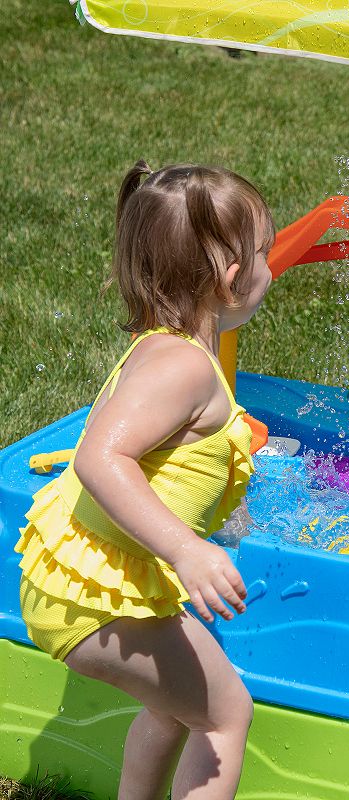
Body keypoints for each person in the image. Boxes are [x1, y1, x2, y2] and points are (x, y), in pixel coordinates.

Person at [16, 161, 274, 799]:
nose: (273, 265)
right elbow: (99, 459)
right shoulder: (182, 367)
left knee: (172, 706)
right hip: (96, 597)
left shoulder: (168, 348)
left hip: (85, 581)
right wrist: (188, 549)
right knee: (224, 715)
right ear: (232, 277)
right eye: (266, 250)